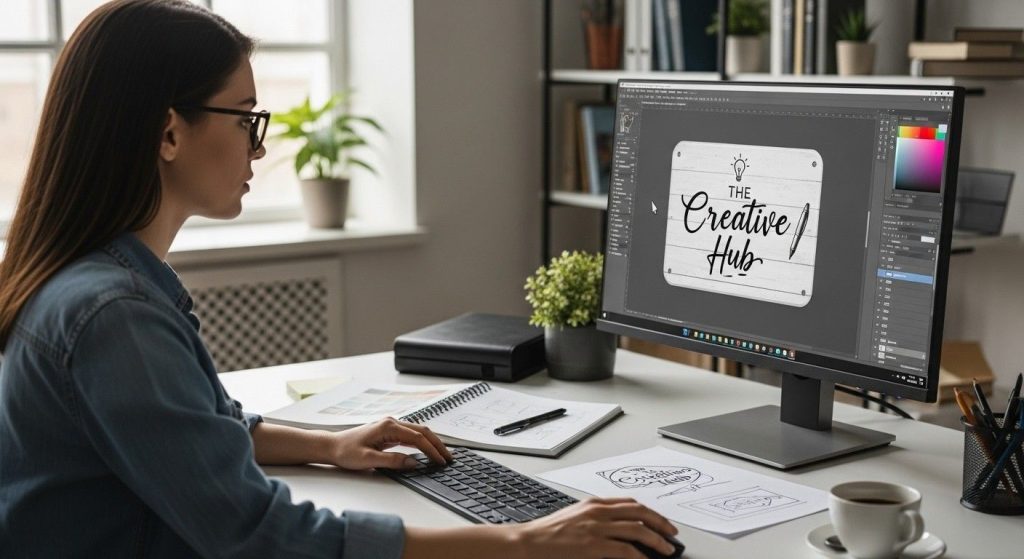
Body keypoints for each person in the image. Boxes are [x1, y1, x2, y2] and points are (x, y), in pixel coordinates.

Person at [0, 1, 679, 557]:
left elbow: (198, 430)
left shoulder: (89, 279)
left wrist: (331, 444)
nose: (259, 147)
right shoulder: (113, 315)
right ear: (168, 134)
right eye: (245, 119)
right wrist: (524, 541)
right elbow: (263, 537)